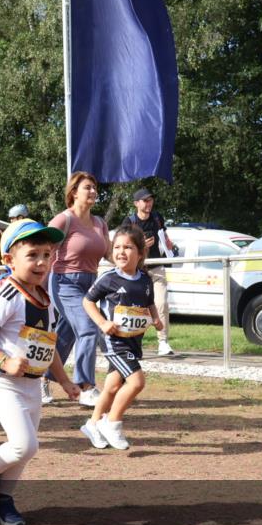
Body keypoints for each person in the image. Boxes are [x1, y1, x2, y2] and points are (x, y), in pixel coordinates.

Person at [0, 220, 80, 525]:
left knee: (26, 448)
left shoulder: (46, 301)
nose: (42, 262)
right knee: (25, 444)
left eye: (46, 254)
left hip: (33, 386)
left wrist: (66, 380)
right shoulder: (7, 295)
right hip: (6, 384)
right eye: (32, 255)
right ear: (9, 260)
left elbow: (50, 346)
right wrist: (3, 361)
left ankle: (3, 501)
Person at [81, 225, 163, 451]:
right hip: (113, 341)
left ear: (140, 253)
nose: (121, 252)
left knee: (112, 386)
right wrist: (103, 323)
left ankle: (93, 424)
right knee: (136, 382)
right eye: (117, 247)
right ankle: (112, 423)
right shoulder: (108, 279)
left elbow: (149, 303)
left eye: (128, 247)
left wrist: (156, 320)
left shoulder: (145, 279)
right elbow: (87, 302)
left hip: (133, 341)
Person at [46, 171, 111, 407]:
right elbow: (44, 251)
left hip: (90, 284)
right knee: (88, 327)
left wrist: (134, 259)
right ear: (74, 192)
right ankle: (85, 386)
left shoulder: (100, 223)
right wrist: (35, 284)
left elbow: (110, 254)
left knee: (67, 335)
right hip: (64, 282)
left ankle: (43, 378)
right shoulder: (64, 220)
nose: (93, 191)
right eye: (88, 187)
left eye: (94, 187)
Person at [121, 188, 175, 356]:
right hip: (137, 270)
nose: (149, 203)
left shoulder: (158, 218)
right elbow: (123, 246)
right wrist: (142, 246)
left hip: (157, 267)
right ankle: (132, 343)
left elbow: (164, 236)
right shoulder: (129, 221)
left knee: (161, 304)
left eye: (150, 200)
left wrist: (168, 244)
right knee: (136, 308)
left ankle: (163, 342)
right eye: (145, 200)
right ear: (136, 203)